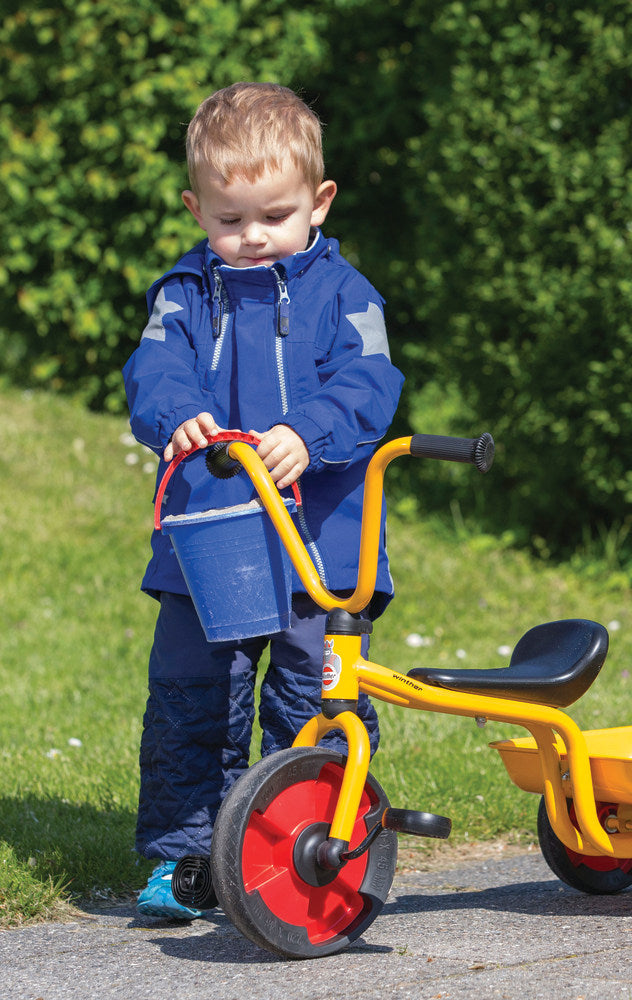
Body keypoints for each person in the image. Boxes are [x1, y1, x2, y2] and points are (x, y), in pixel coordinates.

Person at [122, 82, 404, 919]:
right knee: (191, 694)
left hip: (317, 543)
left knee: (311, 702)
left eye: (273, 216)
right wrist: (178, 417)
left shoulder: (346, 294)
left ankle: (302, 846)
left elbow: (371, 383)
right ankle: (184, 860)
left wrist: (308, 432)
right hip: (207, 540)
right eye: (228, 219)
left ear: (318, 204)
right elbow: (153, 373)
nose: (251, 237)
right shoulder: (183, 295)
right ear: (196, 209)